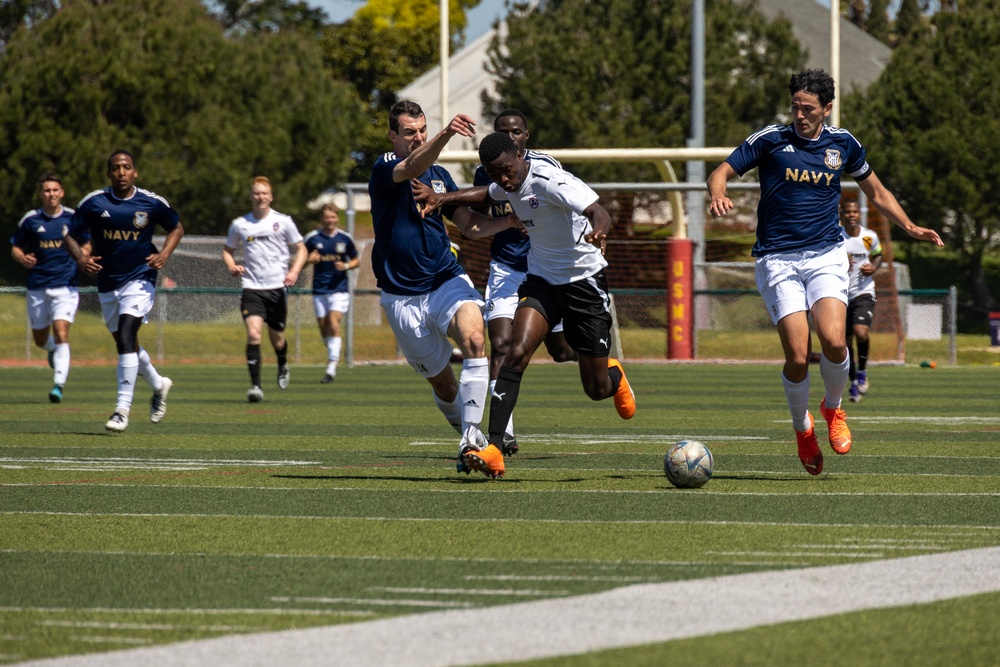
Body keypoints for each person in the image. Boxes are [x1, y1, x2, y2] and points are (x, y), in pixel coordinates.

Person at [707, 69, 943, 475]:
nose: (799, 115)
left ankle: (833, 410)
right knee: (798, 356)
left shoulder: (843, 144)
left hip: (825, 254)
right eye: (795, 106)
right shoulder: (770, 139)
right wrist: (718, 193)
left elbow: (878, 192)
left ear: (826, 108)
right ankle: (802, 429)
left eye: (808, 108)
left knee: (835, 341)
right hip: (777, 259)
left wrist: (910, 226)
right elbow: (721, 171)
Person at [453, 131, 636, 479]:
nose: (504, 179)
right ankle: (493, 449)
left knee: (596, 389)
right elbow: (486, 194)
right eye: (496, 175)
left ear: (518, 156)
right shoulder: (504, 184)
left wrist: (599, 231)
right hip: (542, 282)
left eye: (507, 170)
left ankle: (615, 374)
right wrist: (442, 196)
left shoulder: (550, 181)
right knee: (514, 353)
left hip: (584, 283)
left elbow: (599, 211)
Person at [413, 108, 578, 455]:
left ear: (525, 138)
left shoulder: (547, 168)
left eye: (516, 132)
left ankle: (599, 358)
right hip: (506, 268)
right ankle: (503, 435)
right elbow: (476, 221)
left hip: (546, 269)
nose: (510, 137)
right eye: (504, 131)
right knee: (500, 344)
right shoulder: (487, 172)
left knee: (562, 351)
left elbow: (572, 210)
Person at [369, 99, 509, 472]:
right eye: (409, 132)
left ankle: (472, 437)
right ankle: (467, 429)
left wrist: (511, 223)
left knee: (476, 339)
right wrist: (448, 132)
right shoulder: (384, 167)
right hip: (402, 298)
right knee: (446, 387)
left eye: (423, 130)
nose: (418, 138)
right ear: (392, 135)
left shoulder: (439, 177)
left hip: (446, 279)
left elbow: (470, 226)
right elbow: (412, 165)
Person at [63, 150, 183, 432]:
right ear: (109, 173)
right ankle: (158, 385)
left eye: (126, 167)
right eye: (116, 168)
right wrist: (81, 258)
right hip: (108, 282)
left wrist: (164, 253)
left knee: (128, 335)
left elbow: (176, 227)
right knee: (124, 343)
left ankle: (122, 410)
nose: (121, 172)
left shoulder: (150, 202)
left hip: (140, 278)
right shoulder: (94, 202)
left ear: (135, 172)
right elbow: (68, 234)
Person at [223, 176, 308, 402]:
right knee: (253, 334)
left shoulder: (283, 222)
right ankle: (256, 387)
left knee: (277, 339)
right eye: (256, 193)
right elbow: (227, 250)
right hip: (252, 288)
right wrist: (232, 266)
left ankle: (282, 362)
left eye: (264, 193)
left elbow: (301, 249)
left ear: (271, 196)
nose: (260, 197)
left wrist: (294, 271)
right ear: (251, 196)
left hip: (276, 289)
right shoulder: (240, 224)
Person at [10, 174, 92, 403]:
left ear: (62, 193)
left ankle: (58, 384)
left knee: (61, 332)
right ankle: (52, 350)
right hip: (37, 287)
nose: (51, 194)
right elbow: (15, 247)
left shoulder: (72, 218)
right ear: (42, 194)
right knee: (39, 339)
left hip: (66, 286)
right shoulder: (31, 220)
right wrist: (22, 258)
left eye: (55, 190)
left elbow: (86, 242)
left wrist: (84, 254)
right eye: (47, 190)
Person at [303, 203, 360, 383]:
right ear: (322, 218)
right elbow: (300, 262)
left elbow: (356, 260)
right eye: (327, 217)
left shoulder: (344, 238)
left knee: (334, 323)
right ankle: (334, 349)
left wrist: (346, 265)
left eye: (333, 217)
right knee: (323, 328)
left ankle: (331, 366)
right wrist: (309, 260)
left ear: (337, 218)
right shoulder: (312, 238)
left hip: (339, 289)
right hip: (319, 289)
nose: (330, 220)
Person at [840, 199, 883, 403]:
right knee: (843, 343)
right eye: (847, 212)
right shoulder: (835, 236)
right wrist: (839, 263)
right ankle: (853, 382)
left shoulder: (869, 236)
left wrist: (874, 267)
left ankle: (863, 372)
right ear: (841, 214)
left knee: (861, 332)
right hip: (839, 295)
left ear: (859, 214)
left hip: (864, 292)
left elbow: (878, 255)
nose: (851, 215)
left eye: (855, 211)